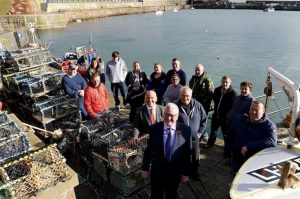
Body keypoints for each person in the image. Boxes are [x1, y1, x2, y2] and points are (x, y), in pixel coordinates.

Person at [142, 103, 192, 199]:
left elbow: (187, 153)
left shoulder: (186, 130)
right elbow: (149, 150)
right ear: (163, 114)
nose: (169, 118)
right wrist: (145, 168)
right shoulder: (154, 128)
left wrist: (186, 173)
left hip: (175, 173)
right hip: (157, 172)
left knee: (171, 195)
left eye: (172, 116)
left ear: (177, 116)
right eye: (166, 115)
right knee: (156, 196)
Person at [225, 101, 277, 174]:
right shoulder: (240, 119)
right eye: (252, 109)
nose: (253, 112)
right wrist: (227, 154)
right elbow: (230, 136)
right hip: (237, 161)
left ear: (263, 111)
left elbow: (272, 142)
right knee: (234, 179)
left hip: (254, 165)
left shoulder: (269, 126)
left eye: (256, 110)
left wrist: (249, 146)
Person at [177, 87, 207, 180]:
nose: (185, 98)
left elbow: (204, 120)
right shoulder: (175, 106)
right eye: (183, 96)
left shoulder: (198, 105)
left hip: (194, 139)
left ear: (191, 96)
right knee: (181, 156)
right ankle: (182, 172)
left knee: (195, 157)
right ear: (180, 95)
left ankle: (194, 172)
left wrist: (199, 133)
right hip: (180, 139)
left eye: (187, 96)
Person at [205, 76, 237, 151]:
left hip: (225, 118)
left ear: (229, 83)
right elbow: (214, 100)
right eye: (223, 82)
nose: (224, 84)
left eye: (226, 82)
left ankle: (227, 149)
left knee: (226, 134)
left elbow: (233, 108)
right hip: (216, 115)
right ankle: (210, 143)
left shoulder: (233, 94)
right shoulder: (217, 90)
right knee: (213, 130)